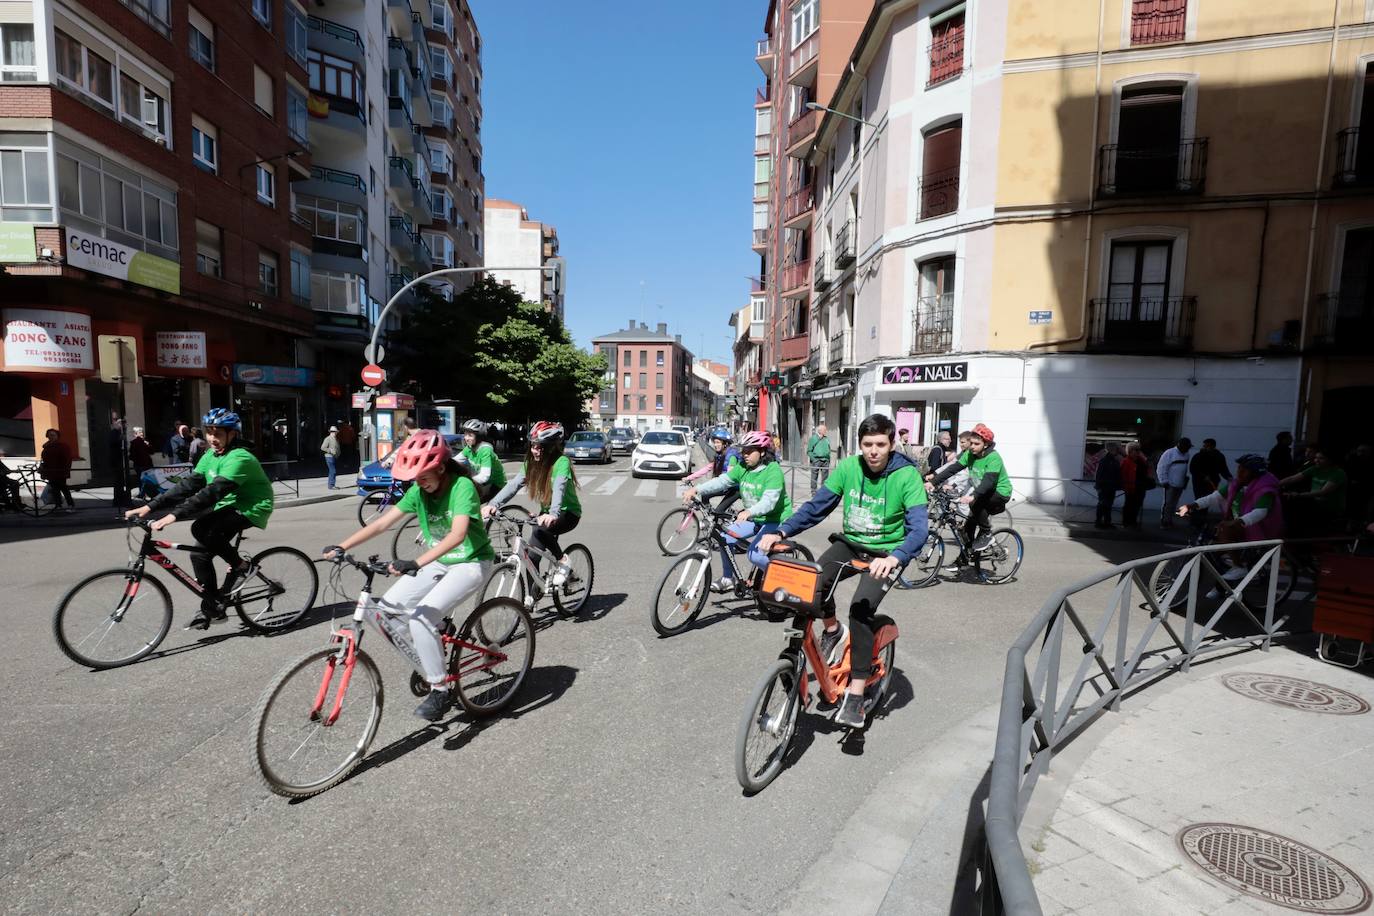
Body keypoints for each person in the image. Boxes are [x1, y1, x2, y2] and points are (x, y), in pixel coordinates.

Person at [758, 413, 929, 729]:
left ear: (892, 444)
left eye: (880, 444)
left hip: (887, 553)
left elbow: (919, 529)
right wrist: (781, 532)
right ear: (859, 445)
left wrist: (897, 556)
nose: (873, 451)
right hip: (851, 544)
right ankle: (832, 631)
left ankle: (856, 694)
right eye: (867, 444)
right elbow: (817, 506)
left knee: (861, 610)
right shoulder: (849, 468)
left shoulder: (907, 476)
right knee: (812, 585)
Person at [323, 430, 494, 721]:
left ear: (441, 466)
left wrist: (415, 562)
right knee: (384, 613)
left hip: (471, 561)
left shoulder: (461, 486)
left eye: (423, 475)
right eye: (414, 477)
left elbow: (457, 535)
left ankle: (440, 689)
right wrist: (343, 545)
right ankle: (430, 652)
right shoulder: (419, 490)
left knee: (420, 618)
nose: (419, 482)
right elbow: (381, 524)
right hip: (438, 561)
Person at [126, 409, 275, 630]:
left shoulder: (240, 457)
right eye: (209, 432)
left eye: (218, 433)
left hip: (252, 506)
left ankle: (242, 566)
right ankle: (213, 605)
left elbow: (211, 492)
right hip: (227, 505)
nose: (212, 438)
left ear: (232, 434)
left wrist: (173, 515)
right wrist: (150, 506)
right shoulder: (210, 456)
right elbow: (189, 485)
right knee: (199, 555)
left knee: (201, 527)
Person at [682, 430, 793, 592]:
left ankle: (783, 580)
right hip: (756, 519)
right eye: (743, 450)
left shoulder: (773, 470)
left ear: (762, 451)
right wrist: (697, 489)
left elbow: (770, 501)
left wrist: (749, 512)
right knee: (725, 538)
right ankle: (728, 578)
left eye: (749, 451)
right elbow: (722, 481)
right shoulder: (743, 467)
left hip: (775, 519)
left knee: (754, 555)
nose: (744, 454)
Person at [483, 421, 581, 585]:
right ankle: (530, 600)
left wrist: (553, 513)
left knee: (540, 529)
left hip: (568, 513)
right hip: (547, 514)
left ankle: (562, 560)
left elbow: (559, 488)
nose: (534, 450)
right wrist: (493, 504)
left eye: (539, 446)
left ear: (550, 447)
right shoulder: (531, 464)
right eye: (533, 446)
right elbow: (513, 485)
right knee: (531, 558)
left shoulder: (561, 462)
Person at [1177, 454, 1285, 583]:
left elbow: (1260, 512)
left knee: (1224, 530)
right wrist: (1191, 506)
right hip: (1241, 526)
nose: (1239, 472)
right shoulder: (1236, 485)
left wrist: (1238, 521)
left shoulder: (1265, 490)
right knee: (1214, 553)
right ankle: (1222, 586)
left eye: (1244, 470)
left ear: (1255, 473)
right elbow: (1214, 497)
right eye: (1239, 468)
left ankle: (1239, 567)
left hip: (1258, 529)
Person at [929, 423, 1011, 553]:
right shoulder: (970, 455)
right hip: (983, 492)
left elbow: (988, 481)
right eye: (971, 443)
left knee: (975, 503)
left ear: (986, 444)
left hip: (1000, 492)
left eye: (976, 444)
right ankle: (963, 560)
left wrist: (973, 495)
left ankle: (987, 533)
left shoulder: (993, 458)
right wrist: (933, 482)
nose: (971, 446)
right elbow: (952, 469)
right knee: (967, 529)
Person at [1279, 448, 1348, 535]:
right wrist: (1274, 485)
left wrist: (1298, 495)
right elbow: (1292, 478)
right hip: (1313, 503)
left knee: (1296, 508)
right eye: (1316, 458)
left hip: (1329, 508)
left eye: (1321, 458)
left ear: (1330, 460)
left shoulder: (1338, 473)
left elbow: (1323, 492)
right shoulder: (1314, 469)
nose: (1316, 460)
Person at [684, 427, 742, 512]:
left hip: (735, 488)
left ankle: (718, 519)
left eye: (718, 442)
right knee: (704, 495)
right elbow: (707, 468)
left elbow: (730, 478)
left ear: (725, 443)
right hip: (726, 486)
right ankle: (710, 517)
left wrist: (710, 485)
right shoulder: (720, 455)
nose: (715, 445)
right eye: (714, 442)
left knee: (719, 511)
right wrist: (689, 478)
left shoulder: (731, 456)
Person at [457, 419, 506, 501]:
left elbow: (484, 476)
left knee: (470, 502)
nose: (466, 438)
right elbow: (454, 460)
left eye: (470, 435)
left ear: (479, 436)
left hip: (496, 484)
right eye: (465, 434)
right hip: (485, 484)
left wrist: (466, 482)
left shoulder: (485, 450)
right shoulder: (469, 449)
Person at [1155, 437, 1193, 528]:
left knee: (1174, 504)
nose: (1188, 449)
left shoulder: (1186, 454)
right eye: (1187, 447)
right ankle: (1164, 521)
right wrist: (1163, 481)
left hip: (1180, 483)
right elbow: (1161, 467)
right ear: (1181, 446)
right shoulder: (1169, 453)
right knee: (1168, 503)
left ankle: (1169, 520)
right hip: (1170, 483)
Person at [39, 428, 76, 512]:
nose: (51, 437)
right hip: (50, 472)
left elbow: (67, 459)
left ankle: (71, 505)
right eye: (49, 435)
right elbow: (44, 459)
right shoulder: (46, 446)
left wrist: (65, 470)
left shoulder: (62, 446)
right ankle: (58, 505)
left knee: (64, 489)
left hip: (60, 471)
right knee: (55, 490)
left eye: (53, 435)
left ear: (57, 436)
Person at [1119, 442, 1153, 529]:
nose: (1138, 452)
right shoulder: (1126, 461)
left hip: (1140, 487)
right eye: (1136, 450)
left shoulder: (1142, 460)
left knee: (1137, 505)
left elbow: (1147, 471)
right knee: (1129, 505)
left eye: (1139, 450)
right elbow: (1123, 475)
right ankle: (1126, 522)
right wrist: (1125, 486)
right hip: (1131, 487)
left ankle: (1133, 521)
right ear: (1130, 451)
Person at [1094, 442, 1122, 529]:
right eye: (1117, 449)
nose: (1118, 450)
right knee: (1103, 505)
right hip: (1105, 487)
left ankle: (1105, 522)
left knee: (1107, 505)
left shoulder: (1113, 460)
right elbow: (1099, 475)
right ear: (1112, 450)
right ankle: (1100, 522)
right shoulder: (1106, 461)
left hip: (1109, 486)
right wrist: (1099, 486)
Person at [108, 416, 131, 509]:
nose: (124, 425)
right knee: (118, 481)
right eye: (121, 424)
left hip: (120, 460)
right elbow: (114, 443)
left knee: (121, 481)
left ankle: (121, 499)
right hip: (116, 460)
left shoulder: (120, 433)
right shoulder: (114, 433)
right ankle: (118, 500)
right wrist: (121, 438)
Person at [807, 423, 832, 494]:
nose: (826, 431)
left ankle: (823, 491)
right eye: (824, 430)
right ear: (820, 430)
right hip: (816, 460)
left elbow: (829, 448)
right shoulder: (813, 438)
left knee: (825, 477)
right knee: (814, 476)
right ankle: (814, 491)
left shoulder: (826, 439)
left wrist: (828, 458)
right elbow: (809, 451)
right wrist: (814, 459)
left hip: (825, 460)